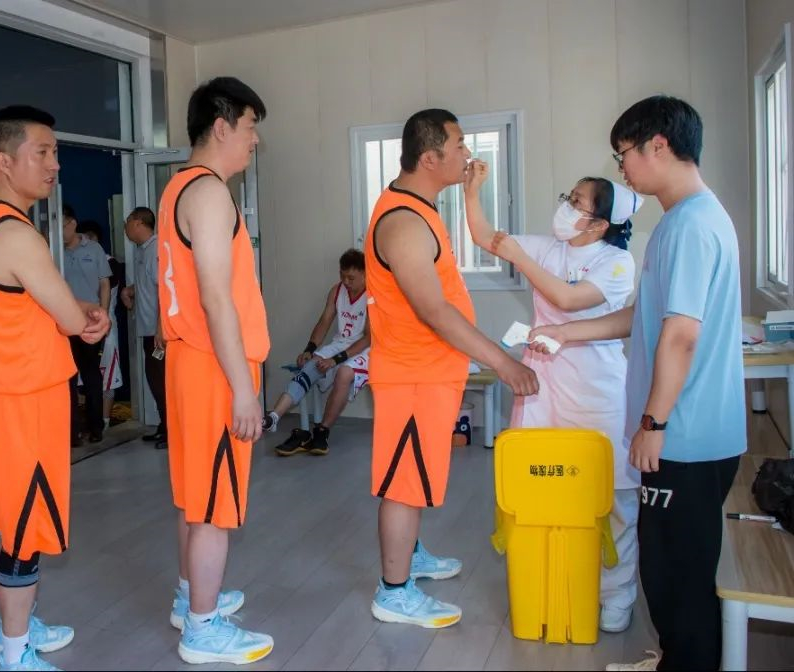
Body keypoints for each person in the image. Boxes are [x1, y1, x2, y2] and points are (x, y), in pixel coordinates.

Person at [532, 96, 746, 672]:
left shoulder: (693, 225)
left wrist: (654, 423)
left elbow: (680, 336)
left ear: (658, 145)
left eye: (623, 153)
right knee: (665, 566)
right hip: (682, 430)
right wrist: (566, 334)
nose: (621, 167)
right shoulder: (677, 221)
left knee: (679, 576)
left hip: (686, 434)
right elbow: (643, 316)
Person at [363, 108, 539, 629]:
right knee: (403, 482)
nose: (467, 154)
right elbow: (434, 311)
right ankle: (394, 592)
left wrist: (470, 194)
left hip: (430, 373)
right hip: (412, 376)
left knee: (415, 473)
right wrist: (501, 362)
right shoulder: (402, 223)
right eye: (459, 145)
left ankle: (411, 556)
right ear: (429, 157)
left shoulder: (420, 206)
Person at [0, 105, 109, 672]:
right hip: (21, 400)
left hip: (13, 392)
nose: (54, 164)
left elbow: (33, 302)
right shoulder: (14, 234)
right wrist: (82, 315)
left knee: (29, 518)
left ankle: (16, 628)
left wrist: (77, 308)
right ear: (4, 159)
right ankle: (15, 653)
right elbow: (66, 317)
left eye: (55, 152)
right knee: (24, 529)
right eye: (42, 152)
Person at [464, 164, 643, 633]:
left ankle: (616, 594)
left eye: (577, 202)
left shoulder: (616, 263)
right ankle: (552, 572)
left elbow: (567, 299)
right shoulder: (551, 247)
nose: (566, 205)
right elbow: (484, 236)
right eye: (570, 195)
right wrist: (473, 191)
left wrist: (519, 258)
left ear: (599, 224)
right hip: (543, 384)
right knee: (541, 484)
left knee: (613, 497)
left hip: (596, 390)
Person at [157, 76, 273, 664]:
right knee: (213, 506)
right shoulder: (208, 193)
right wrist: (243, 389)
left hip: (192, 361)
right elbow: (214, 296)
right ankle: (202, 630)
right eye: (250, 127)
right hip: (212, 367)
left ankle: (191, 598)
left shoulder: (180, 187)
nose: (255, 140)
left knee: (196, 495)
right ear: (222, 126)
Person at [262, 248, 370, 456]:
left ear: (365, 274)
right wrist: (310, 349)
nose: (346, 281)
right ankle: (273, 417)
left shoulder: (373, 295)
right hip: (341, 343)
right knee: (309, 366)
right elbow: (324, 321)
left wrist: (335, 360)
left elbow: (368, 338)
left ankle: (322, 431)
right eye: (342, 276)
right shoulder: (336, 291)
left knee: (344, 373)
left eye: (351, 278)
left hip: (365, 349)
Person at [61, 205, 110, 445]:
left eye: (62, 225)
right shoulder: (52, 250)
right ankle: (72, 432)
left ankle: (95, 427)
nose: (59, 231)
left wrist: (104, 314)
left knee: (91, 375)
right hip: (63, 324)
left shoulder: (93, 249)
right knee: (67, 377)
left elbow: (104, 283)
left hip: (90, 323)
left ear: (72, 223)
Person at [121, 206, 168, 449]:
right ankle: (164, 425)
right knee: (155, 380)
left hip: (157, 333)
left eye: (128, 222)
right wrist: (129, 290)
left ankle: (172, 430)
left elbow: (164, 291)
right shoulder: (143, 251)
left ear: (139, 223)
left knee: (161, 381)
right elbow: (148, 285)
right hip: (149, 329)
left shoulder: (156, 250)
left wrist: (161, 328)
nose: (125, 227)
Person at [77, 220, 124, 430]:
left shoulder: (110, 264)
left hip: (105, 327)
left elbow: (100, 287)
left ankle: (103, 421)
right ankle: (86, 418)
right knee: (82, 375)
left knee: (108, 375)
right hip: (80, 326)